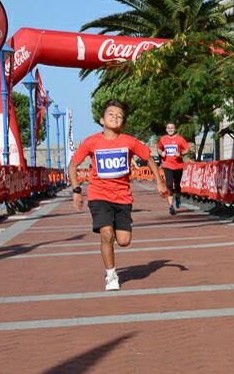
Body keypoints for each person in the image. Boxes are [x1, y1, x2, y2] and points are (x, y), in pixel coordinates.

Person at [68, 99, 167, 291]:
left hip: (122, 197)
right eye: (111, 114)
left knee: (123, 241)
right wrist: (76, 190)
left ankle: (114, 233)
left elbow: (148, 158)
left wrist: (159, 181)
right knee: (106, 234)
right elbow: (73, 165)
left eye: (119, 116)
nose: (115, 117)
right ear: (102, 120)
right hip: (98, 195)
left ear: (123, 122)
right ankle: (111, 274)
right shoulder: (91, 142)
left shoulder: (129, 142)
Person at [157, 122, 190, 215]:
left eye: (172, 128)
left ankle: (178, 197)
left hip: (178, 165)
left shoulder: (180, 139)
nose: (170, 129)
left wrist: (181, 154)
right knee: (169, 185)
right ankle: (171, 206)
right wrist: (161, 153)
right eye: (168, 128)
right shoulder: (163, 139)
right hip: (167, 165)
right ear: (166, 129)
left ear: (175, 129)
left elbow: (187, 149)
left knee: (177, 185)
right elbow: (159, 148)